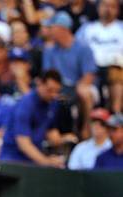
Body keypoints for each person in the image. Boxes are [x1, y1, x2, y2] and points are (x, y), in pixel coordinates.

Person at [42, 11, 97, 139]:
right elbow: (48, 75)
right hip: (59, 87)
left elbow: (89, 75)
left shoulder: (83, 48)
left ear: (62, 29)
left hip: (79, 85)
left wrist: (77, 88)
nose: (49, 31)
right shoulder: (50, 49)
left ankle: (86, 129)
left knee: (84, 91)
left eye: (52, 28)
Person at [0, 70, 66, 167]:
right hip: (13, 159)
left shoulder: (53, 103)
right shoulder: (25, 105)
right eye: (50, 90)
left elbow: (51, 132)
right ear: (40, 84)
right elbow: (23, 143)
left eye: (57, 91)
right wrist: (46, 161)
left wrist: (62, 141)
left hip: (34, 159)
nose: (54, 95)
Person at [75, 0, 122, 114]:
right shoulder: (87, 28)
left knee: (116, 75)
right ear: (98, 7)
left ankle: (116, 114)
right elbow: (75, 49)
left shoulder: (121, 27)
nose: (108, 9)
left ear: (118, 10)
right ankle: (91, 125)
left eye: (112, 7)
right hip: (91, 70)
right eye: (105, 5)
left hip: (116, 69)